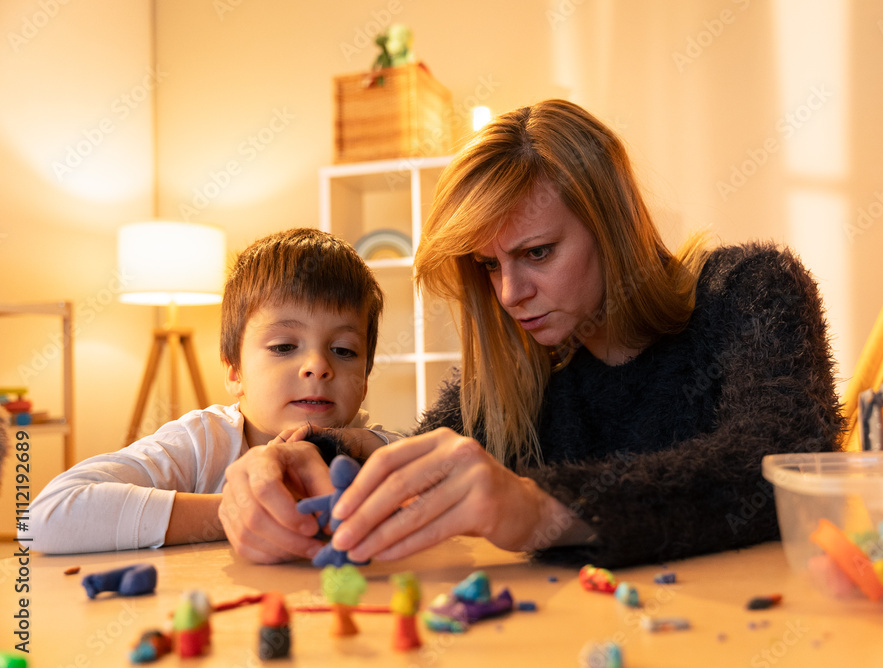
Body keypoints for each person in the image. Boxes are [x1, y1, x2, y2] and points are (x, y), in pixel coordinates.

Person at [219, 99, 844, 568]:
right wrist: (291, 463)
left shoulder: (751, 290)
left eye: (538, 253)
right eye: (490, 266)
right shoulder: (524, 356)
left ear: (615, 225)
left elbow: (784, 467)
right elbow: (426, 453)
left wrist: (538, 507)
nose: (509, 294)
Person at [23, 228, 399, 556]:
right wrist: (233, 512)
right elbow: (44, 517)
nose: (317, 366)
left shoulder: (372, 449)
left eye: (344, 350)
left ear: (365, 380)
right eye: (285, 346)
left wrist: (371, 444)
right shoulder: (202, 444)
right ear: (234, 371)